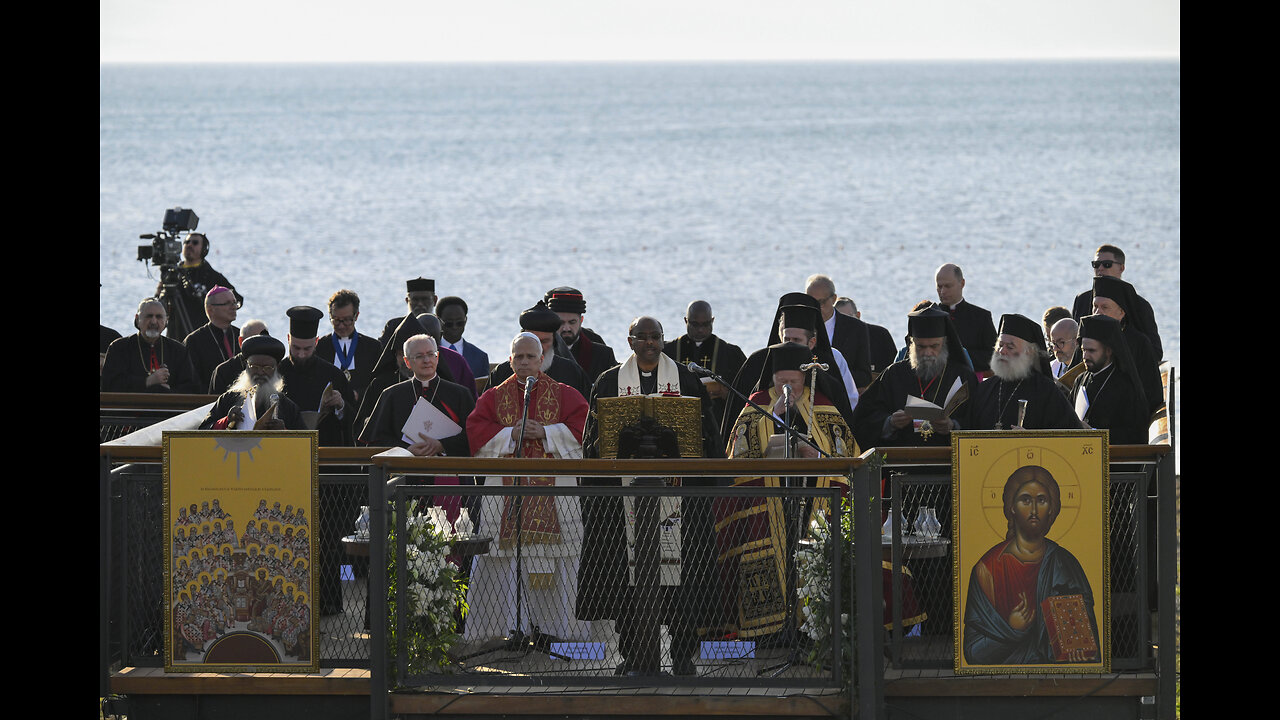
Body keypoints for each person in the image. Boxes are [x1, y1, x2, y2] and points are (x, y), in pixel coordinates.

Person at [575, 316, 725, 676]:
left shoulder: (686, 380)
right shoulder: (609, 381)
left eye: (654, 336)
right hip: (621, 500)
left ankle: (683, 654)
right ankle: (634, 654)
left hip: (680, 500)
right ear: (629, 341)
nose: (648, 343)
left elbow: (706, 437)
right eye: (640, 337)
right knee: (625, 582)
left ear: (663, 340)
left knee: (684, 582)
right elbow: (592, 440)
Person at [716, 342, 857, 640]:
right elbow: (739, 456)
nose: (788, 388)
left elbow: (844, 453)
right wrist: (774, 416)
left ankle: (814, 630)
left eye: (793, 382)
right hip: (767, 507)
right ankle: (769, 631)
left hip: (813, 503)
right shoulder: (755, 403)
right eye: (782, 382)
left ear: (804, 379)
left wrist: (817, 457)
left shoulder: (823, 404)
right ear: (773, 378)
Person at [462, 333, 593, 645]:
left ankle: (563, 632)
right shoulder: (494, 397)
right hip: (507, 499)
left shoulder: (565, 394)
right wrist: (510, 434)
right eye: (518, 357)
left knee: (562, 560)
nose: (523, 362)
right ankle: (506, 630)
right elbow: (475, 432)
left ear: (541, 359)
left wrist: (546, 432)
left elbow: (586, 431)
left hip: (556, 500)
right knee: (503, 561)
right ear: (509, 360)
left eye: (529, 357)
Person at [963, 464, 1099, 665]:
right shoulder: (988, 569)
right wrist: (1013, 630)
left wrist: (1078, 647)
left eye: (1041, 500)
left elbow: (1086, 642)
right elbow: (974, 653)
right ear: (1012, 507)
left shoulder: (1065, 565)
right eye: (1025, 500)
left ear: (1052, 508)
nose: (1034, 510)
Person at [727, 293, 857, 436]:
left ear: (811, 343)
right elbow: (738, 429)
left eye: (797, 340)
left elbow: (842, 436)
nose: (790, 346)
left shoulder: (825, 368)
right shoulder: (757, 362)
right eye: (786, 339)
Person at [851, 306, 977, 449]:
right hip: (900, 462)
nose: (927, 353)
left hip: (950, 464)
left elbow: (978, 421)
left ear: (944, 344)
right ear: (912, 344)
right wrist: (890, 423)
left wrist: (953, 426)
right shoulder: (894, 374)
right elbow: (863, 419)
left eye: (934, 346)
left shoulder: (963, 376)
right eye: (921, 347)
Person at [358, 334, 475, 458]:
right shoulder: (391, 395)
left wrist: (442, 445)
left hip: (449, 471)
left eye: (431, 354)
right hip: (404, 473)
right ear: (407, 362)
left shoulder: (460, 394)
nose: (426, 360)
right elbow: (377, 440)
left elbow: (473, 434)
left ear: (437, 357)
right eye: (419, 356)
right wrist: (406, 450)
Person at [964, 314, 1079, 431]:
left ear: (1029, 352)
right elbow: (966, 428)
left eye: (1010, 347)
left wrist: (1030, 438)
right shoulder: (985, 389)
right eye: (1000, 345)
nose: (1002, 351)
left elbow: (1069, 436)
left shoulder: (1046, 391)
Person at [662, 300, 747, 430]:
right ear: (686, 321)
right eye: (695, 324)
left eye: (706, 324)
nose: (700, 330)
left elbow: (746, 392)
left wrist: (727, 394)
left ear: (712, 320)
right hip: (679, 421)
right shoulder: (668, 351)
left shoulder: (730, 353)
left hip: (716, 423)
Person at [278, 306, 355, 446]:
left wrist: (341, 405)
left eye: (307, 349)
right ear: (288, 339)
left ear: (316, 342)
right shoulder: (276, 372)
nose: (301, 354)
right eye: (296, 348)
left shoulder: (333, 375)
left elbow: (354, 419)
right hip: (285, 447)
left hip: (324, 449)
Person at [1070, 244, 1162, 361]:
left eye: (1107, 264)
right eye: (1096, 264)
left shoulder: (1140, 305)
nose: (1100, 268)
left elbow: (1156, 352)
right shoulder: (1082, 299)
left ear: (1121, 268)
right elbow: (1074, 343)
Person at [1069, 314, 1150, 445]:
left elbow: (1135, 434)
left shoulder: (1126, 386)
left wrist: (1094, 433)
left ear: (1108, 351)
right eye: (1083, 350)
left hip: (1113, 460)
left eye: (1091, 351)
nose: (1085, 356)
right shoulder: (1080, 380)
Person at [1090, 275, 1164, 417]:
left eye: (1104, 307)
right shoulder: (1087, 339)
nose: (1097, 312)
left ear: (1121, 312)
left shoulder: (1139, 343)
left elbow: (1151, 394)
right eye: (1095, 307)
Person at [488, 302, 592, 399]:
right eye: (533, 341)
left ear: (554, 342)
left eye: (544, 341)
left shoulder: (571, 372)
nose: (539, 348)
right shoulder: (502, 373)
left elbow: (586, 413)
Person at [199, 335, 303, 430]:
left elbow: (305, 444)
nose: (260, 372)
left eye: (267, 368)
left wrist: (284, 432)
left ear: (276, 369)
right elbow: (203, 432)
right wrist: (227, 421)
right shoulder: (228, 399)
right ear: (246, 366)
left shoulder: (288, 407)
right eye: (254, 367)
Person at [102, 298, 199, 393]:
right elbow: (110, 386)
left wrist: (168, 392)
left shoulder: (178, 351)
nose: (153, 321)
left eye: (159, 317)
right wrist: (147, 381)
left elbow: (191, 388)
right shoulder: (119, 348)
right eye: (149, 316)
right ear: (137, 319)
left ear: (166, 321)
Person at [158, 232, 243, 341]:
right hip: (175, 337)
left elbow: (238, 299)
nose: (189, 245)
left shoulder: (211, 276)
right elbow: (159, 304)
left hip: (202, 338)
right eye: (186, 242)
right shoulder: (171, 275)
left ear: (204, 249)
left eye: (195, 243)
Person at [316, 289, 382, 407]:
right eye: (336, 320)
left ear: (356, 316)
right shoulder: (321, 346)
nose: (341, 326)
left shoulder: (373, 347)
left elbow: (380, 383)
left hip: (362, 411)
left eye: (346, 320)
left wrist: (359, 395)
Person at [806, 274, 873, 391]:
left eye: (821, 302)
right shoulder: (798, 328)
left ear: (834, 299)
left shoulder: (856, 328)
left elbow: (864, 376)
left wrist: (833, 377)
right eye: (811, 302)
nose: (816, 308)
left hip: (843, 397)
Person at [546, 286, 618, 386]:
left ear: (581, 320)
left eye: (572, 322)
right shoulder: (539, 348)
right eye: (561, 323)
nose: (566, 328)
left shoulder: (601, 353)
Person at [934, 263, 998, 377]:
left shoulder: (981, 317)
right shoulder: (929, 316)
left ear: (962, 283)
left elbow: (993, 356)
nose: (942, 291)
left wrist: (958, 356)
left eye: (948, 286)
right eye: (939, 286)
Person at [182, 286, 240, 393]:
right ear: (210, 309)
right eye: (227, 303)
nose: (234, 307)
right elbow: (192, 380)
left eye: (235, 302)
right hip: (208, 402)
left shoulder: (241, 336)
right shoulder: (194, 341)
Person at [414, 313, 478, 400]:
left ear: (440, 336)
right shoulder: (405, 359)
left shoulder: (457, 361)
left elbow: (470, 398)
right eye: (422, 339)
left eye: (431, 340)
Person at [436, 296, 492, 386]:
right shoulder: (430, 353)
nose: (455, 327)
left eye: (459, 323)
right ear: (438, 321)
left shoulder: (480, 357)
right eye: (449, 324)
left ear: (465, 320)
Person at [836, 296, 897, 377]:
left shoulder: (880, 335)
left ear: (858, 315)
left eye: (849, 318)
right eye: (841, 320)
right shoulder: (832, 340)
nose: (846, 324)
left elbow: (895, 371)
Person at [208, 319, 269, 395]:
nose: (260, 345)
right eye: (255, 340)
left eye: (264, 340)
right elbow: (214, 403)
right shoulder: (224, 371)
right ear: (241, 342)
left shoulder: (274, 367)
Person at [377, 277, 436, 350]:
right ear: (407, 301)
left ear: (435, 300)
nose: (420, 304)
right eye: (415, 300)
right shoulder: (394, 326)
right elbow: (381, 352)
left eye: (425, 299)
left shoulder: (446, 325)